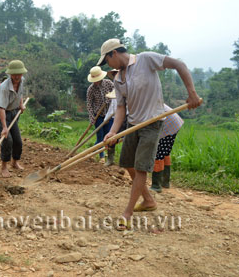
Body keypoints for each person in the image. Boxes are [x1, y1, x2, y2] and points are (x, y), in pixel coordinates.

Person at [100, 38, 201, 230]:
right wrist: (113, 132)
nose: (108, 66)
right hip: (133, 124)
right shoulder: (119, 79)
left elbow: (179, 64)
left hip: (153, 123)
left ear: (113, 53)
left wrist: (192, 93)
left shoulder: (145, 59)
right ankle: (148, 200)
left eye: (107, 61)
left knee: (140, 169)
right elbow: (121, 107)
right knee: (127, 163)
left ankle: (127, 213)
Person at [0, 60, 27, 178]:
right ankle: (4, 167)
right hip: (1, 114)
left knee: (17, 140)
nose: (17, 76)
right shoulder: (4, 88)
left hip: (13, 112)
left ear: (22, 74)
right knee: (7, 140)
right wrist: (4, 127)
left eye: (19, 74)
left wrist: (21, 104)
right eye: (14, 74)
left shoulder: (22, 81)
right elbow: (1, 108)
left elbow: (20, 94)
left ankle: (15, 162)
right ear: (10, 74)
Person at [150, 104, 184, 192]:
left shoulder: (142, 100)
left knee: (159, 154)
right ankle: (165, 182)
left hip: (168, 125)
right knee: (165, 153)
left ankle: (156, 185)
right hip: (173, 123)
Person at [86, 66, 114, 163]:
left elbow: (116, 93)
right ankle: (101, 157)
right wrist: (92, 117)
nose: (95, 82)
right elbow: (89, 104)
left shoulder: (109, 84)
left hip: (109, 115)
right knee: (100, 136)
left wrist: (110, 97)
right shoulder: (91, 89)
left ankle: (96, 152)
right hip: (98, 115)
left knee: (108, 136)